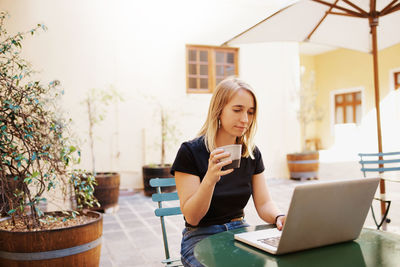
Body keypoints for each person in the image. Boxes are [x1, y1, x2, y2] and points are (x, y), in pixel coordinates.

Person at [171, 77, 286, 267]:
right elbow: (192, 217)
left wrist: (278, 216)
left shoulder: (251, 153)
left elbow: (264, 203)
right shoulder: (190, 151)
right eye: (237, 110)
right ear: (218, 110)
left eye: (250, 112)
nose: (245, 119)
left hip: (239, 230)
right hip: (201, 235)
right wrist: (209, 179)